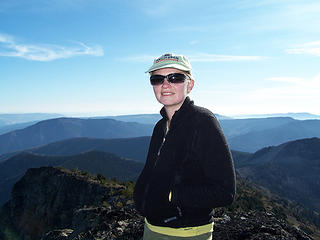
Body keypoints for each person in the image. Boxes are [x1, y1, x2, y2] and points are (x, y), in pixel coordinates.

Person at [134, 53, 236, 240]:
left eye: (175, 77)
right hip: (152, 228)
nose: (165, 84)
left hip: (187, 233)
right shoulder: (160, 127)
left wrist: (171, 194)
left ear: (190, 85)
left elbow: (225, 191)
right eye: (157, 79)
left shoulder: (203, 122)